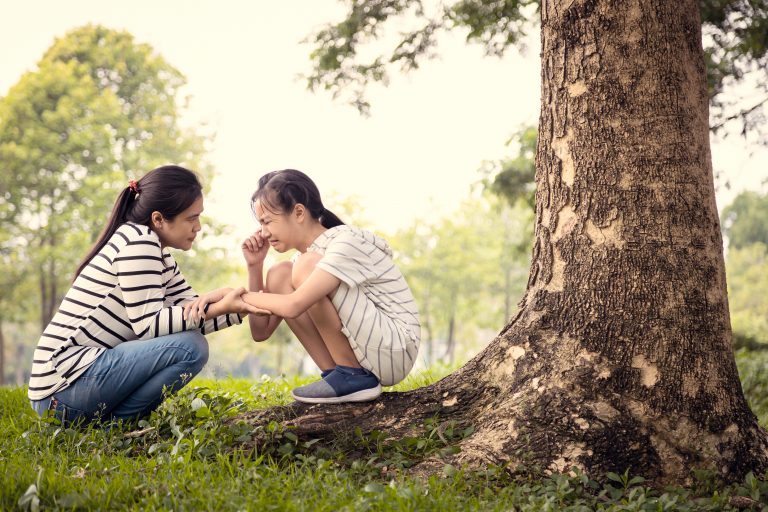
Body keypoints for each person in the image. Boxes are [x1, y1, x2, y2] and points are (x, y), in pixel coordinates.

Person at [28, 165, 256, 425]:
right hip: (60, 393)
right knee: (191, 347)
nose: (199, 227)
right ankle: (116, 426)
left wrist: (243, 304)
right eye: (191, 218)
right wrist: (218, 305)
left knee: (190, 341)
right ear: (158, 219)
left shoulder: (159, 253)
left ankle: (112, 425)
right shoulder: (140, 242)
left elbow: (192, 313)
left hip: (67, 388)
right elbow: (149, 326)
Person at [186, 169, 421, 404]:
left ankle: (351, 375)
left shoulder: (344, 242)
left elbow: (293, 306)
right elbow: (261, 331)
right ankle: (337, 375)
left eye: (268, 222)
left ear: (298, 212)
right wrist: (255, 267)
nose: (264, 232)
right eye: (260, 224)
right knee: (279, 274)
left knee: (304, 267)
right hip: (372, 348)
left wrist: (232, 294)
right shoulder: (304, 262)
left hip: (395, 348)